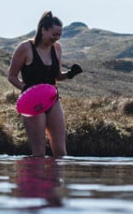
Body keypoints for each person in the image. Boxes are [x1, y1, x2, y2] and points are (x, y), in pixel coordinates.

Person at [7, 11, 83, 157]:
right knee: (39, 150)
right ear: (43, 29)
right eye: (54, 34)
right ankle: (37, 178)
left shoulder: (57, 48)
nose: (57, 38)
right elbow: (11, 76)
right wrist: (26, 88)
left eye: (59, 35)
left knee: (61, 151)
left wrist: (70, 74)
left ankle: (57, 179)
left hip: (52, 100)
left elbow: (57, 76)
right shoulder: (25, 48)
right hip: (32, 102)